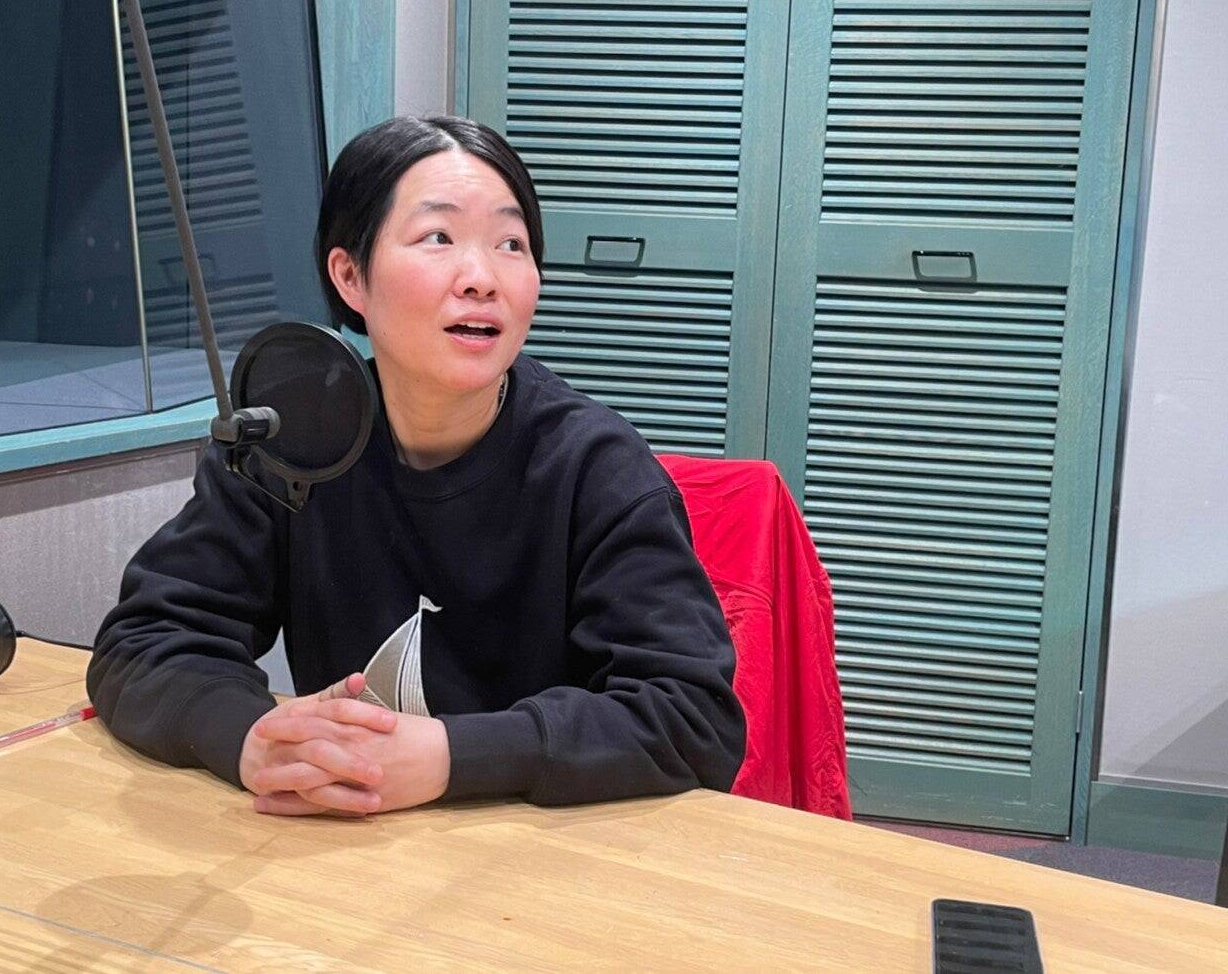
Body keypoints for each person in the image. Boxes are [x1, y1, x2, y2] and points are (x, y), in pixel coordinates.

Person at [87, 115, 745, 817]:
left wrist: (452, 756)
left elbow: (693, 716)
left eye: (511, 244)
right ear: (351, 276)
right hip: (344, 840)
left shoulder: (597, 467)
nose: (482, 278)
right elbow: (144, 641)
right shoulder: (290, 440)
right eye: (439, 237)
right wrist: (251, 739)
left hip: (544, 850)